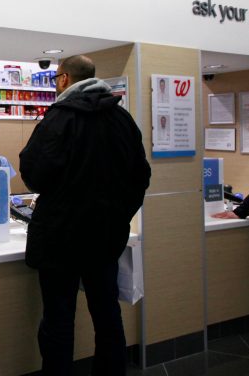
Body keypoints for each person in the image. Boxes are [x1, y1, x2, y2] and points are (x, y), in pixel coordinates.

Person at [19, 55, 151, 375]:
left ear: (64, 80)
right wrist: (117, 216)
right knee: (107, 315)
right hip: (105, 239)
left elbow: (34, 172)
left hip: (59, 240)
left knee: (59, 320)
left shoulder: (58, 119)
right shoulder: (122, 120)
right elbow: (140, 177)